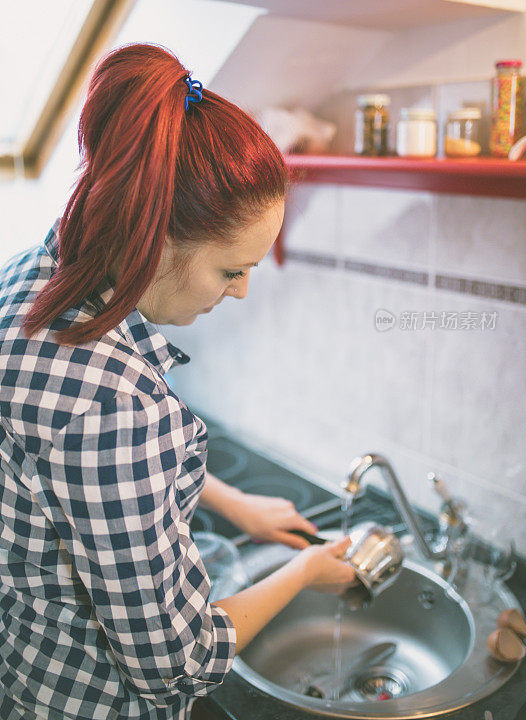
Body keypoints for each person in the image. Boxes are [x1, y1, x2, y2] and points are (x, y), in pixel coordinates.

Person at [0, 43, 356, 720]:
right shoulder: (116, 406)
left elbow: (73, 475)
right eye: (230, 270)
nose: (244, 290)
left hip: (25, 667)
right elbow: (177, 664)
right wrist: (305, 571)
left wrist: (232, 503)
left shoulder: (34, 271)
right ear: (154, 237)